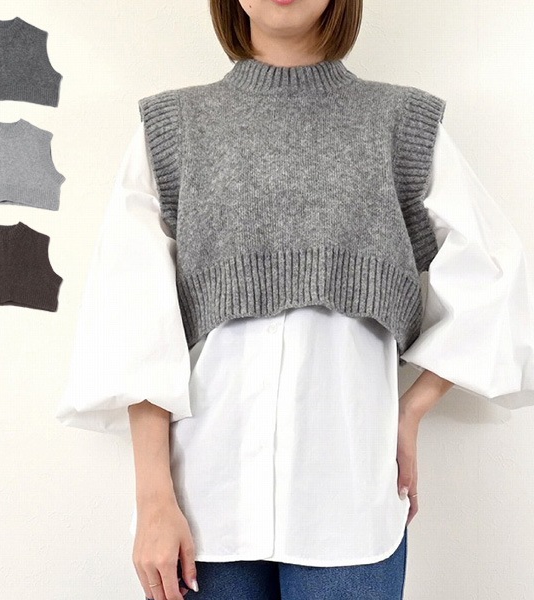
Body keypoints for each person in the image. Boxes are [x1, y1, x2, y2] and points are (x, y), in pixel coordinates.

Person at [55, 1, 534, 599]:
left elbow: (494, 271)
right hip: (203, 507)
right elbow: (132, 318)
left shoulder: (401, 124)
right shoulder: (173, 128)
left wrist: (412, 409)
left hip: (351, 505)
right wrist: (153, 499)